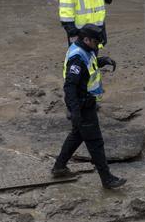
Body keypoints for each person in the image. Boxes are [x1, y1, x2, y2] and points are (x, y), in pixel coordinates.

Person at [51, 24, 125, 189]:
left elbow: (88, 68)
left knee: (77, 136)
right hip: (83, 105)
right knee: (95, 142)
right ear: (86, 39)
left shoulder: (85, 49)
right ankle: (107, 179)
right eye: (96, 42)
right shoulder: (77, 58)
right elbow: (69, 86)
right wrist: (75, 111)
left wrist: (101, 61)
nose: (97, 45)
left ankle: (59, 167)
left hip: (86, 103)